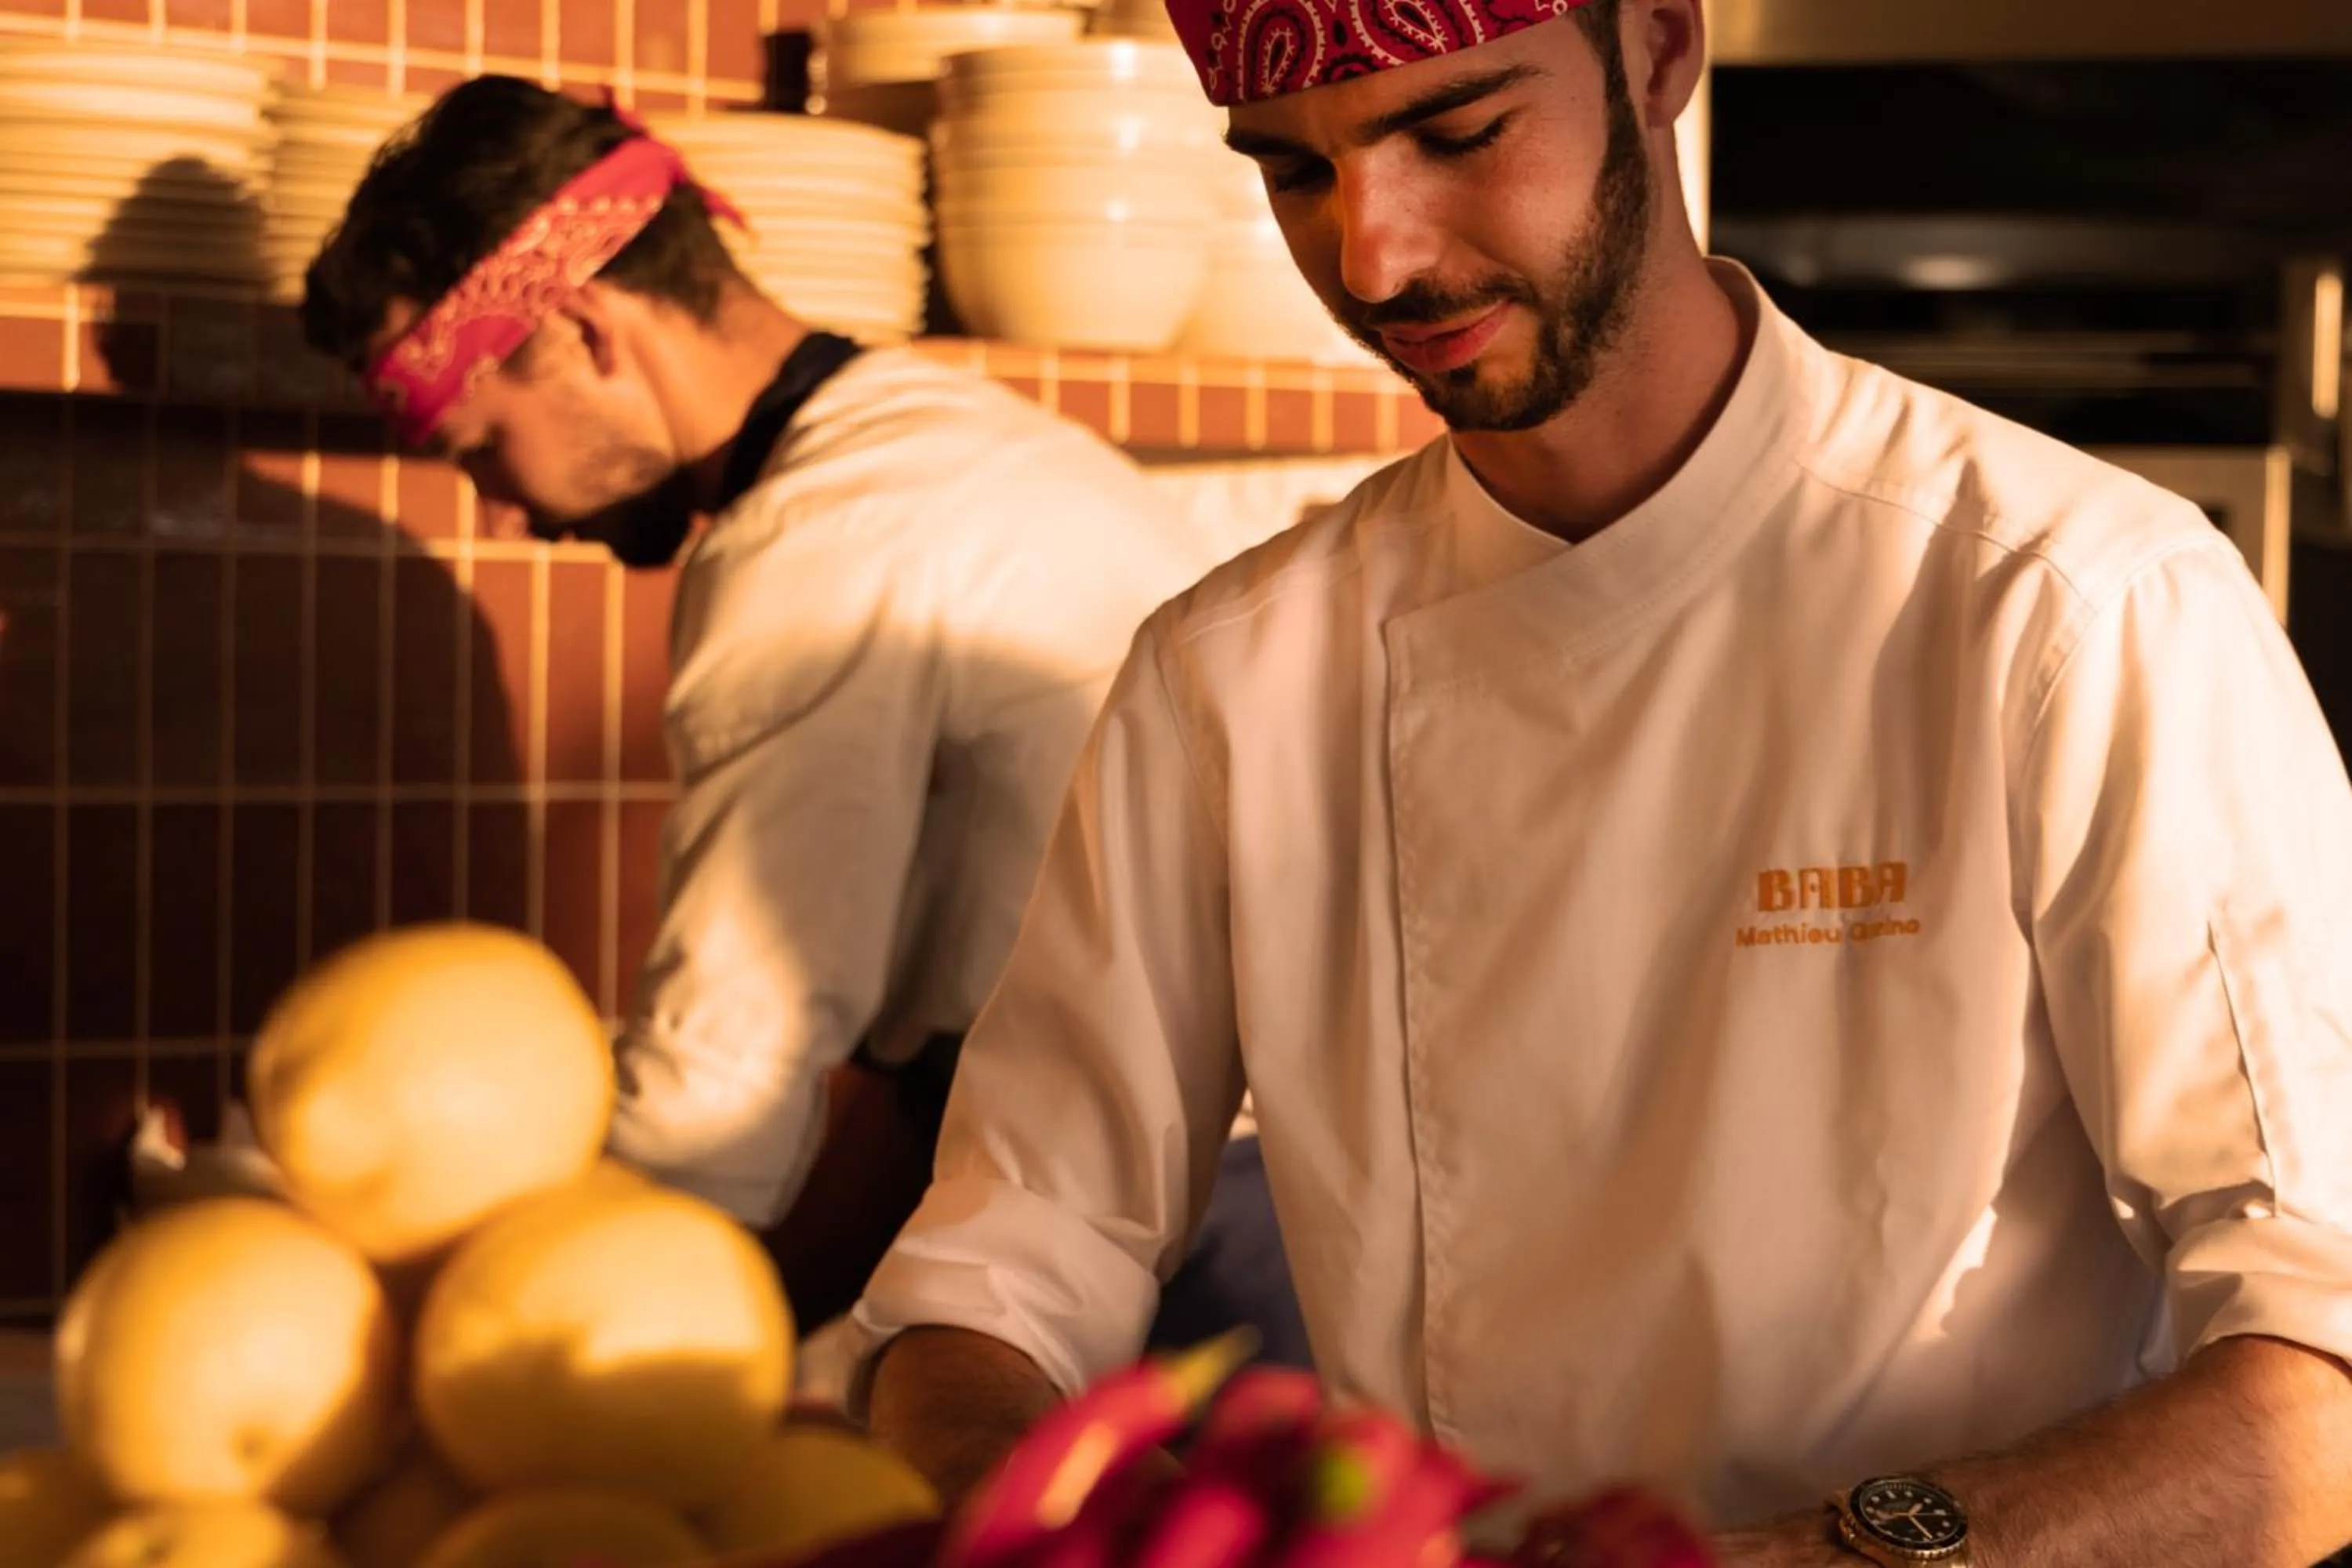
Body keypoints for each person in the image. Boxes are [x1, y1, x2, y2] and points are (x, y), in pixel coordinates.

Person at [848, 2, 2352, 1563]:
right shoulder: (1227, 675)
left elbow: (2325, 1362)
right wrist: (1033, 1508)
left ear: (1655, 48)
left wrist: (1827, 1555)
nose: (1374, 260)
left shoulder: (2071, 602)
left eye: (1458, 131)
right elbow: (998, 1269)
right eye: (1296, 174)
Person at [299, 76, 1310, 1359]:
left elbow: (728, 1081)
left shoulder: (815, 548)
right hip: (1257, 1191)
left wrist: (536, 1363)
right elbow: (937, 1054)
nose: (503, 512)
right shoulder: (952, 442)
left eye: (479, 445)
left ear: (586, 332)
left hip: (1183, 1249)